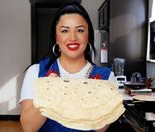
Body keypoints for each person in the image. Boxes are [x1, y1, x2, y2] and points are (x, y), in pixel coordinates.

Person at [19, 1, 116, 132]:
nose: (72, 37)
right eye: (65, 30)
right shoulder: (36, 72)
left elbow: (101, 129)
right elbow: (28, 127)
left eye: (80, 30)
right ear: (56, 37)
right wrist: (49, 93)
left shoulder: (107, 77)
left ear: (88, 36)